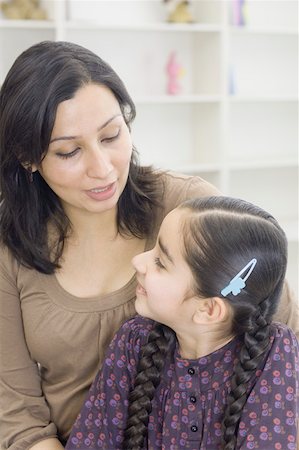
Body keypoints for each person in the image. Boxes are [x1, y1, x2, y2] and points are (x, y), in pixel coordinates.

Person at [0, 41, 297, 450]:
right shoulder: (9, 247)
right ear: (27, 157)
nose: (102, 169)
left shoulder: (189, 211)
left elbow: (275, 322)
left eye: (111, 135)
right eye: (69, 151)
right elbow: (16, 413)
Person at [66, 196, 299, 450]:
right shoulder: (134, 339)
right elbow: (90, 441)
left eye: (160, 262)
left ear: (208, 310)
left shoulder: (275, 351)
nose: (138, 261)